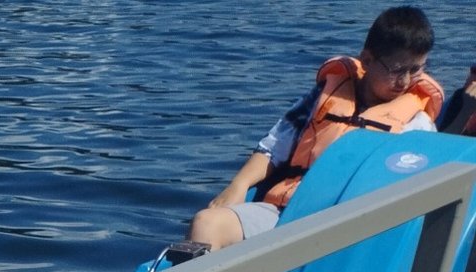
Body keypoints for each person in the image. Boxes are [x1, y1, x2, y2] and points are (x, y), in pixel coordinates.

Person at [187, 7, 442, 251]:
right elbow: (273, 147)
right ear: (367, 60)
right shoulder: (323, 96)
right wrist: (239, 185)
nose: (405, 81)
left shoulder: (417, 123)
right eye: (397, 70)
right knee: (206, 223)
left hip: (350, 230)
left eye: (416, 70)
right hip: (289, 212)